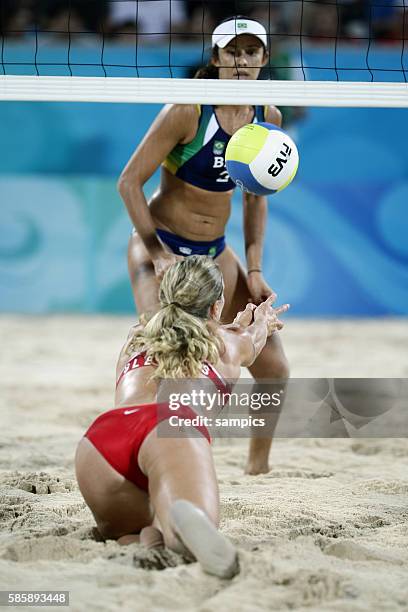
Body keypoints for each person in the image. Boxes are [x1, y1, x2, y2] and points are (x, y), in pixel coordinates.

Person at [118, 15, 290, 477]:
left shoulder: (266, 116)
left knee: (274, 365)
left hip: (216, 253)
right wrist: (157, 253)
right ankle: (150, 462)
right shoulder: (188, 110)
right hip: (163, 245)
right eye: (232, 52)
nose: (241, 62)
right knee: (166, 359)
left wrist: (253, 269)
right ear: (215, 59)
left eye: (251, 52)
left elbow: (257, 200)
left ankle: (258, 471)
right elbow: (129, 183)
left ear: (264, 59)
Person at [75, 256, 289, 578]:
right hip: (170, 429)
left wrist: (230, 327)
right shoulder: (229, 344)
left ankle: (149, 539)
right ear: (217, 307)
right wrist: (262, 320)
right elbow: (255, 340)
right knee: (190, 533)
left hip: (101, 443)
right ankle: (179, 531)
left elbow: (186, 336)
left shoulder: (136, 335)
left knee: (130, 534)